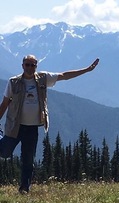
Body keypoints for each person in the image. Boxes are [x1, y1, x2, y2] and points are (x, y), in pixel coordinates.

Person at [0, 55, 99, 193]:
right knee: (4, 153)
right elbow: (5, 103)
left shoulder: (43, 78)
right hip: (15, 126)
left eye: (32, 65)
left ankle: (24, 188)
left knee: (28, 159)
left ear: (36, 66)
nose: (29, 67)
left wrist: (87, 70)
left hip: (32, 127)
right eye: (27, 64)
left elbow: (64, 75)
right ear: (22, 65)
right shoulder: (13, 82)